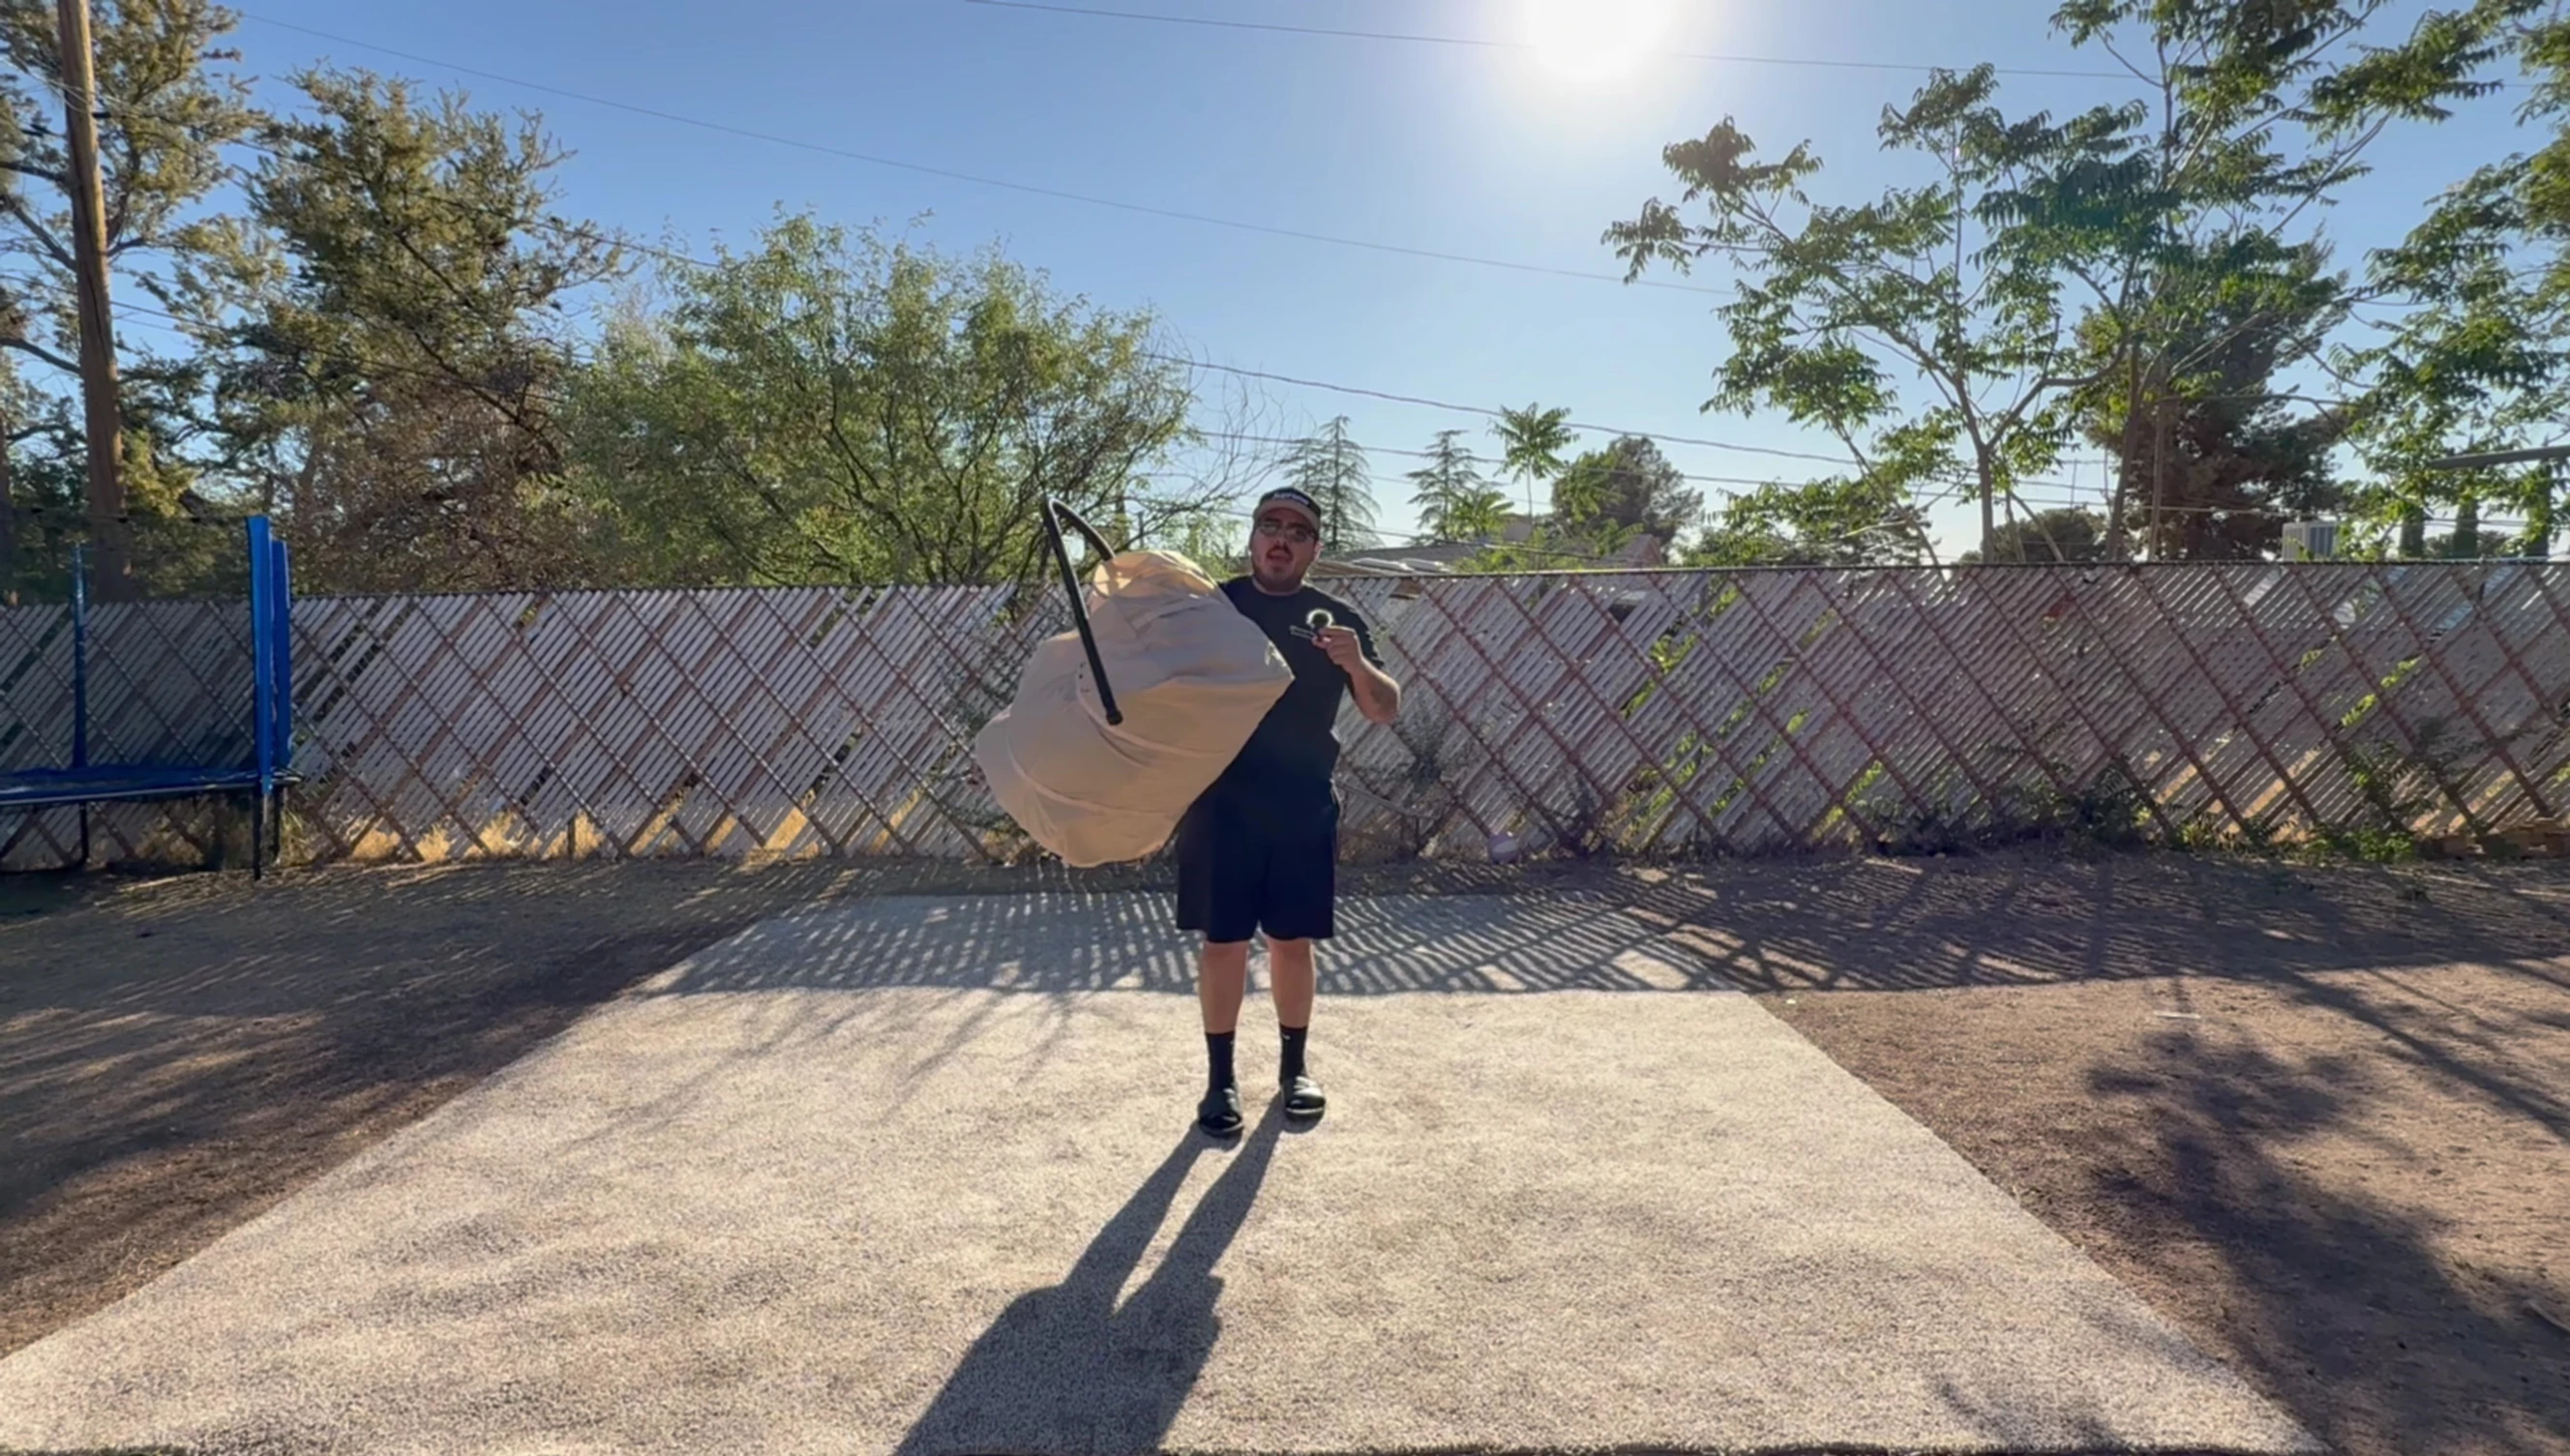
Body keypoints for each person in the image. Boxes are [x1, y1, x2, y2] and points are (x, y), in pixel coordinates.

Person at [1178, 485, 1401, 1138]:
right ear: (1251, 537)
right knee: (1221, 944)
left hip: (1301, 805)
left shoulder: (1336, 619)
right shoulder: (1211, 606)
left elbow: (1384, 708)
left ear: (1314, 548)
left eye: (1297, 530)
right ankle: (1220, 1082)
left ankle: (1293, 1071)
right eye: (1269, 525)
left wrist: (1356, 662)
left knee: (1291, 942)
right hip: (1219, 803)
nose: (1280, 537)